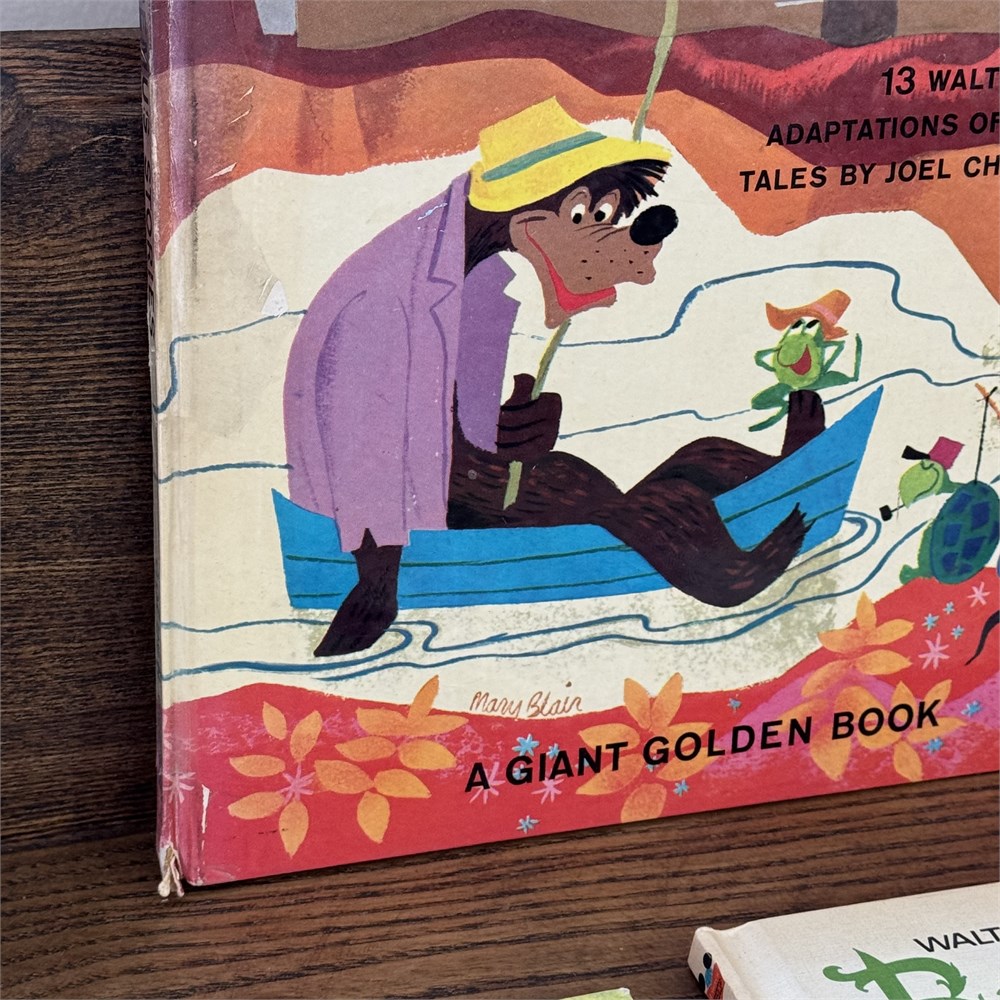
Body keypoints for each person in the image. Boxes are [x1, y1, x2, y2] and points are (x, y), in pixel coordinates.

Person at [284, 99, 822, 656]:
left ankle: (772, 478)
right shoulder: (382, 298)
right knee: (596, 501)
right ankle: (726, 574)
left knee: (632, 468)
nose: (608, 236)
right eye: (591, 216)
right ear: (534, 219)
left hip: (456, 485)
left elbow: (441, 418)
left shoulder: (472, 275)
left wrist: (507, 434)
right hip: (386, 531)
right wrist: (377, 583)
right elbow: (362, 456)